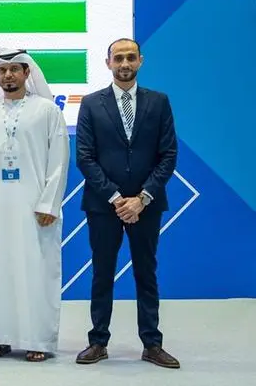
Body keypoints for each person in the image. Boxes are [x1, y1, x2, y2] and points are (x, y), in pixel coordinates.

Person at [75, 38, 180, 369]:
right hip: (103, 205)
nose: (124, 63)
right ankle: (98, 341)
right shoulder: (91, 103)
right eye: (118, 58)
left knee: (146, 273)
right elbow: (85, 157)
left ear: (140, 61)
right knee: (102, 273)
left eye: (130, 57)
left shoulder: (159, 102)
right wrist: (118, 198)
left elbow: (168, 155)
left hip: (147, 205)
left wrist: (142, 198)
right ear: (108, 63)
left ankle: (152, 344)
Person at [0, 48, 69, 362]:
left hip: (36, 209)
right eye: (2, 70)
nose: (8, 75)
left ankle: (38, 339)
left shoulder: (47, 111)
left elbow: (59, 160)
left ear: (27, 73)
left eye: (14, 69)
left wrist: (49, 203)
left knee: (37, 271)